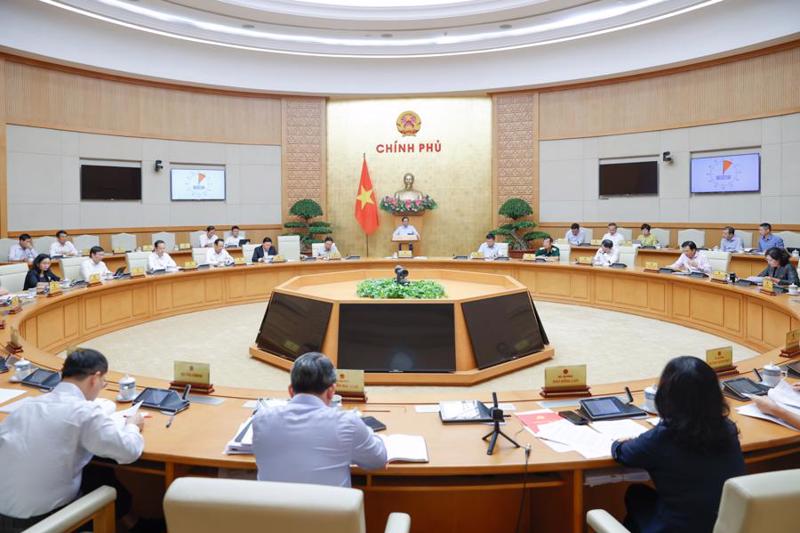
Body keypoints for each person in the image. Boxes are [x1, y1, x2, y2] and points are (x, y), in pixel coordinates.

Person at [0, 349, 144, 531]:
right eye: (103, 382)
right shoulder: (84, 413)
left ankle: (133, 523)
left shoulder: (26, 407)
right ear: (95, 378)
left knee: (93, 469)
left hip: (3, 518)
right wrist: (133, 425)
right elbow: (129, 452)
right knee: (105, 481)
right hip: (44, 523)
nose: (101, 386)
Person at [612, 356, 744, 533]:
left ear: (667, 395)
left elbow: (623, 454)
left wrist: (619, 443)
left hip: (679, 528)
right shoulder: (728, 429)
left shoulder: (664, 436)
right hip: (727, 525)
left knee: (635, 495)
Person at [252, 352, 386, 487]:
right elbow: (377, 461)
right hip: (330, 508)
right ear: (331, 391)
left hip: (274, 508)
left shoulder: (261, 419)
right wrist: (366, 430)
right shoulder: (347, 423)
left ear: (291, 391)